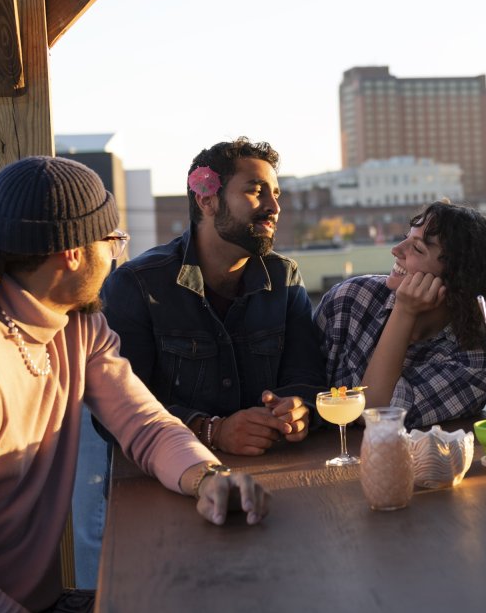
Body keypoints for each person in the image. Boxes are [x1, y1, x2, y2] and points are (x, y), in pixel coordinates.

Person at [0, 157, 269, 613]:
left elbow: (144, 425)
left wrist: (207, 478)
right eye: (113, 242)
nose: (115, 257)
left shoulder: (75, 326)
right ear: (71, 252)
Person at [99, 137, 324, 453]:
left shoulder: (284, 279)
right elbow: (116, 408)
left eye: (275, 194)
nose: (274, 207)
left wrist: (301, 410)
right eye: (255, 191)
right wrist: (210, 431)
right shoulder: (137, 285)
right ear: (207, 200)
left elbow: (309, 380)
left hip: (277, 471)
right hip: (165, 482)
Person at [316, 201, 486, 428]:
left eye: (417, 248)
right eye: (406, 237)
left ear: (458, 280)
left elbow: (376, 415)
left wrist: (404, 311)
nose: (397, 250)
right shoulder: (350, 299)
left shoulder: (478, 358)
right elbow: (298, 384)